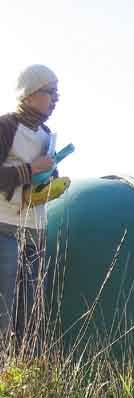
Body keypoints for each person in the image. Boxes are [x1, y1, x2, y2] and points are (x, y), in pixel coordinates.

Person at [0, 64, 60, 343]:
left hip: (35, 231)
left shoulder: (48, 135)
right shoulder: (5, 127)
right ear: (30, 93)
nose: (56, 99)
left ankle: (24, 371)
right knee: (4, 305)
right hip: (4, 227)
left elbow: (43, 175)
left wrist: (52, 182)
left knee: (32, 310)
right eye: (51, 92)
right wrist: (29, 170)